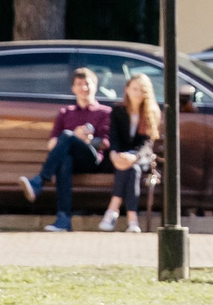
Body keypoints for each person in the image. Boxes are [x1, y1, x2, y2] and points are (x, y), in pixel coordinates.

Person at [22, 68, 111, 233]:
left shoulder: (104, 112)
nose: (84, 88)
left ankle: (39, 181)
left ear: (95, 86)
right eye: (79, 84)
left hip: (91, 159)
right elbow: (52, 144)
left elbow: (106, 143)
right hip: (70, 161)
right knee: (65, 159)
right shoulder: (65, 112)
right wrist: (72, 136)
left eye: (87, 84)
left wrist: (87, 139)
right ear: (73, 88)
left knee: (68, 136)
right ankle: (63, 220)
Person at [102, 72, 159, 233]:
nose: (138, 93)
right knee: (128, 168)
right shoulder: (118, 110)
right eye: (134, 89)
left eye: (142, 90)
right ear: (127, 89)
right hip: (119, 156)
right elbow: (114, 136)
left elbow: (146, 142)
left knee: (132, 167)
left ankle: (112, 211)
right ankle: (132, 220)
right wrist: (114, 154)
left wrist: (134, 156)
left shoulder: (150, 112)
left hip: (141, 157)